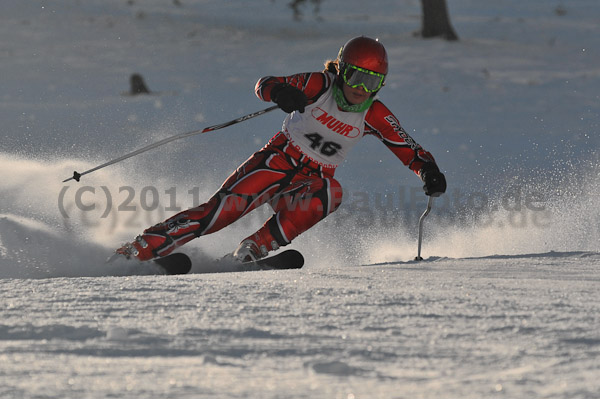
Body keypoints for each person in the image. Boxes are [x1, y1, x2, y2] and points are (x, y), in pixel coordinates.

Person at [116, 36, 447, 262]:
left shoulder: (374, 114)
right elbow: (265, 83)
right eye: (356, 77)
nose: (361, 90)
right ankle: (140, 250)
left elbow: (409, 149)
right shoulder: (320, 85)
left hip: (311, 179)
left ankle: (253, 250)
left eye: (372, 83)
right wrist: (280, 93)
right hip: (276, 160)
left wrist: (427, 170)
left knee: (332, 193)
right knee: (221, 213)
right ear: (341, 70)